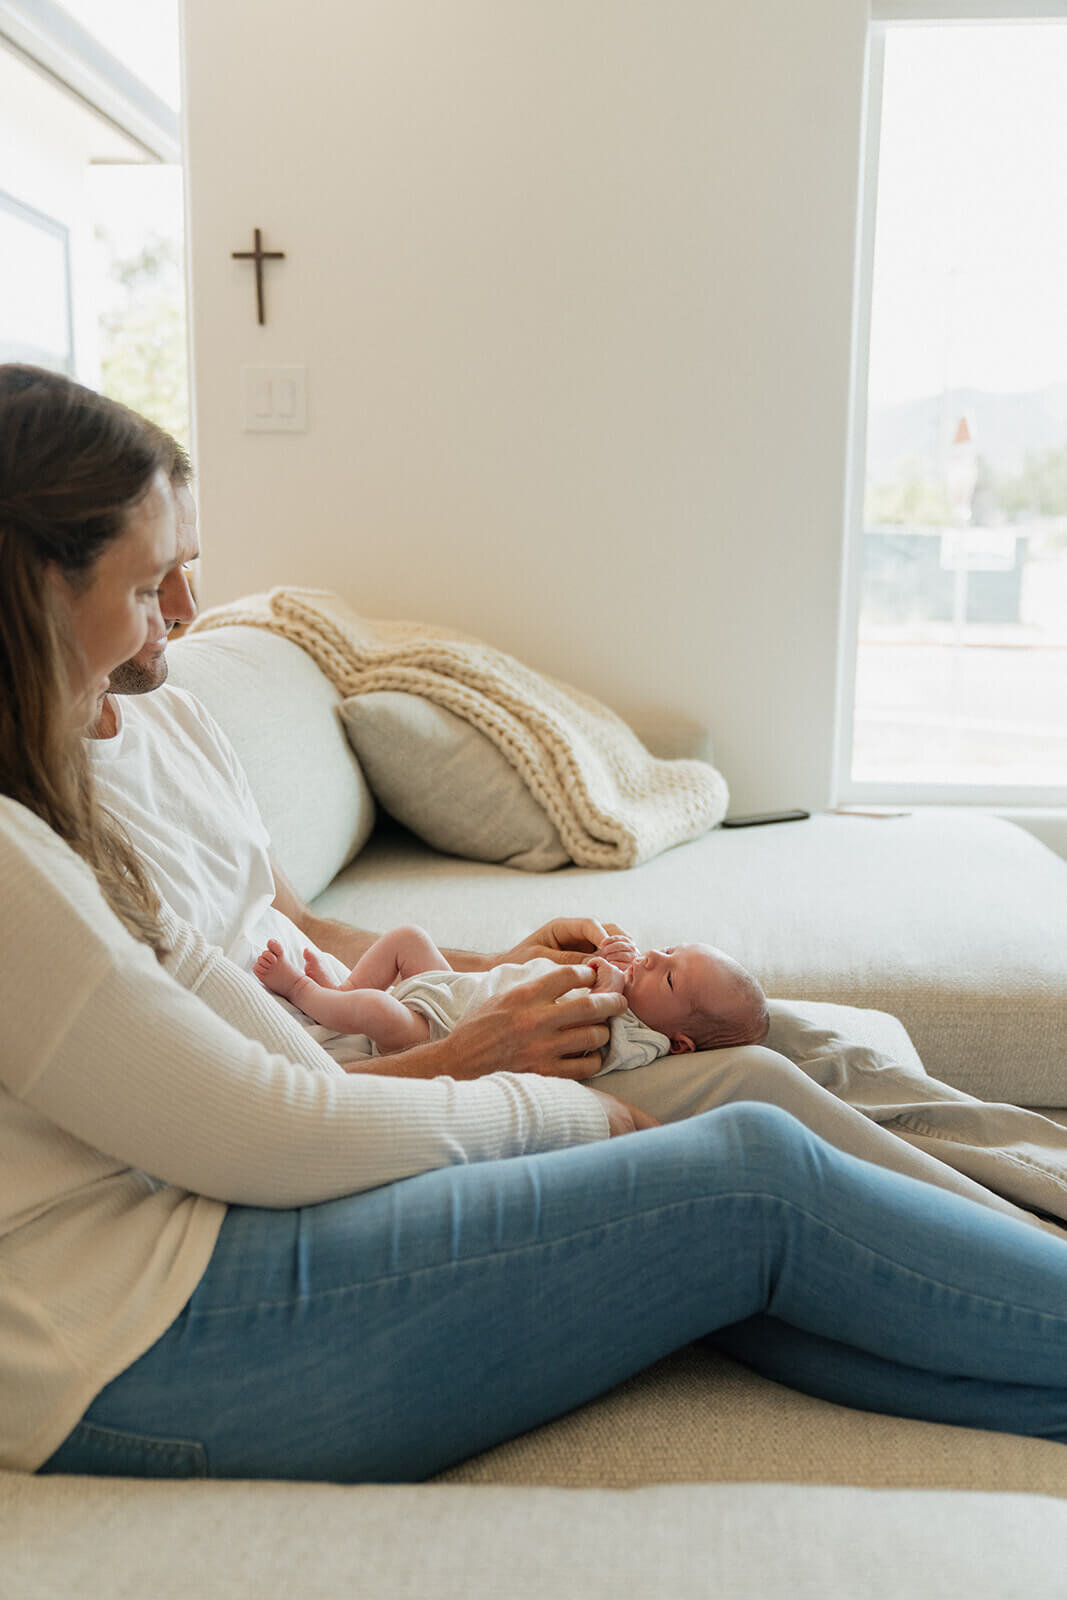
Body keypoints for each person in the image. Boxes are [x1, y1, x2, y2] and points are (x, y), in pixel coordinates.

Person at [4, 363, 1067, 1489]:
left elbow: (255, 1039)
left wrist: (479, 1003)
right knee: (751, 1173)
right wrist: (550, 1109)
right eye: (145, 583)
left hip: (208, 1232)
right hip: (134, 1332)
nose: (176, 617)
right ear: (29, 592)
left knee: (736, 1197)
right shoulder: (21, 853)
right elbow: (270, 1129)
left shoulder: (59, 805)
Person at [81, 410, 1067, 1235]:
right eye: (150, 579)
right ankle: (1000, 1232)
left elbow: (307, 926)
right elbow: (239, 1107)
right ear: (55, 583)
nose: (186, 607)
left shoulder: (176, 712)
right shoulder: (53, 829)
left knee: (807, 1033)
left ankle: (1033, 1165)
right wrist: (474, 1051)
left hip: (403, 1008)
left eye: (190, 563)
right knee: (759, 1084)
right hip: (368, 1066)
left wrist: (495, 966)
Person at [253, 925, 769, 1070]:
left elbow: (593, 1050)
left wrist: (611, 985)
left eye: (671, 978)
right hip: (461, 993)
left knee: (379, 1012)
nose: (652, 960)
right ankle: (342, 990)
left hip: (440, 1031)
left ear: (679, 1043)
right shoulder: (632, 982)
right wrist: (615, 956)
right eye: (668, 950)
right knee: (407, 940)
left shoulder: (639, 1039)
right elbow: (604, 968)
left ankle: (302, 991)